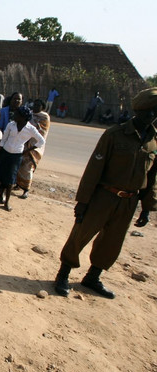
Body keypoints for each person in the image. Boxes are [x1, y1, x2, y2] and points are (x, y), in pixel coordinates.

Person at [54, 87, 157, 299]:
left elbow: (152, 177)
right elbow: (93, 170)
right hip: (103, 196)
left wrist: (147, 208)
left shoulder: (154, 141)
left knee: (112, 242)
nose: (153, 116)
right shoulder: (115, 135)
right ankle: (63, 275)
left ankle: (93, 277)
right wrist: (82, 202)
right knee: (80, 235)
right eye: (150, 111)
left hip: (129, 201)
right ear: (139, 110)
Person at [0, 106, 45, 211]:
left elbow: (41, 141)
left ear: (23, 117)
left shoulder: (30, 129)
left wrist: (27, 151)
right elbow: (3, 139)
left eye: (17, 114)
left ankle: (6, 202)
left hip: (16, 155)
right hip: (5, 152)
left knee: (11, 179)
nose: (14, 116)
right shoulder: (11, 125)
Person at [16, 99, 50, 198]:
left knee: (28, 168)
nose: (35, 107)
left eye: (38, 105)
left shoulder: (44, 117)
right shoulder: (30, 114)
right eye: (34, 105)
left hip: (34, 147)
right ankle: (18, 184)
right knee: (20, 166)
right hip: (24, 144)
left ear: (42, 107)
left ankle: (26, 189)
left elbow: (42, 132)